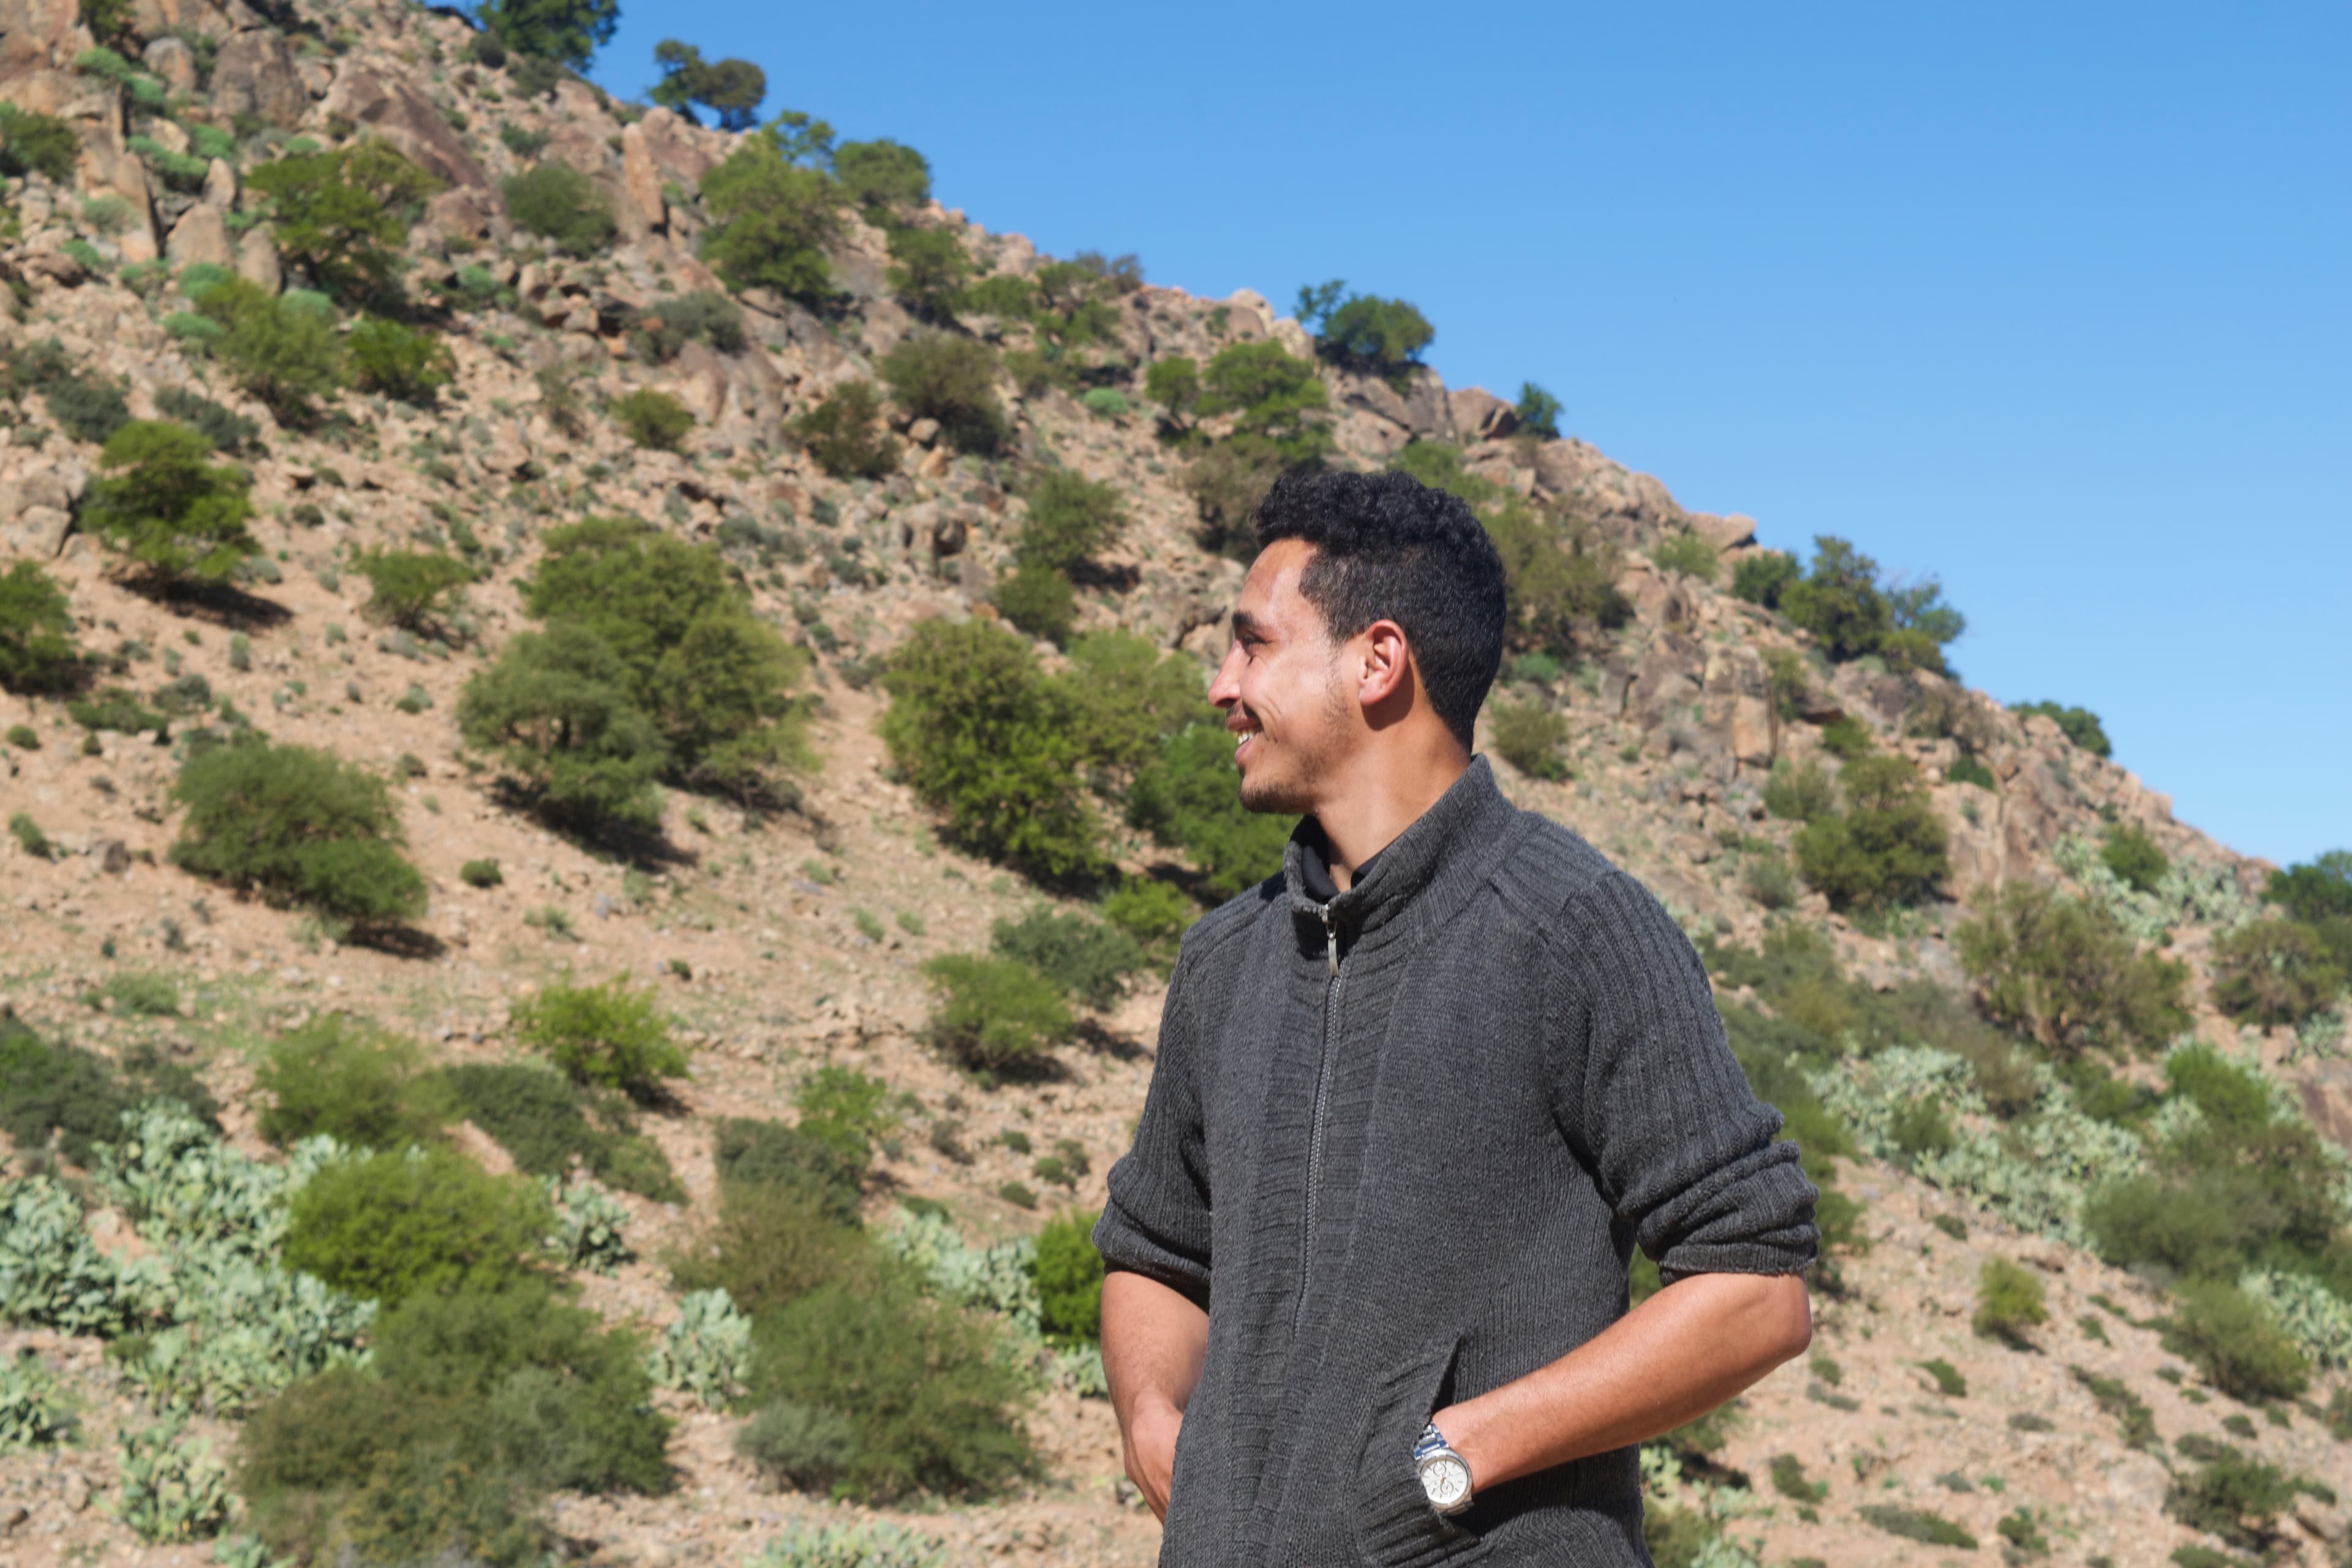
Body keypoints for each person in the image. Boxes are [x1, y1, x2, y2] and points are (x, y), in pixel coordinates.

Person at [1092, 467, 1820, 1565]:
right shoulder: (1223, 963)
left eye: (1253, 644)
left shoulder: (1576, 928)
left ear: (1378, 661)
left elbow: (1757, 1288)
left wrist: (1455, 1454)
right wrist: (1155, 1427)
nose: (1219, 685)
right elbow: (1156, 1252)